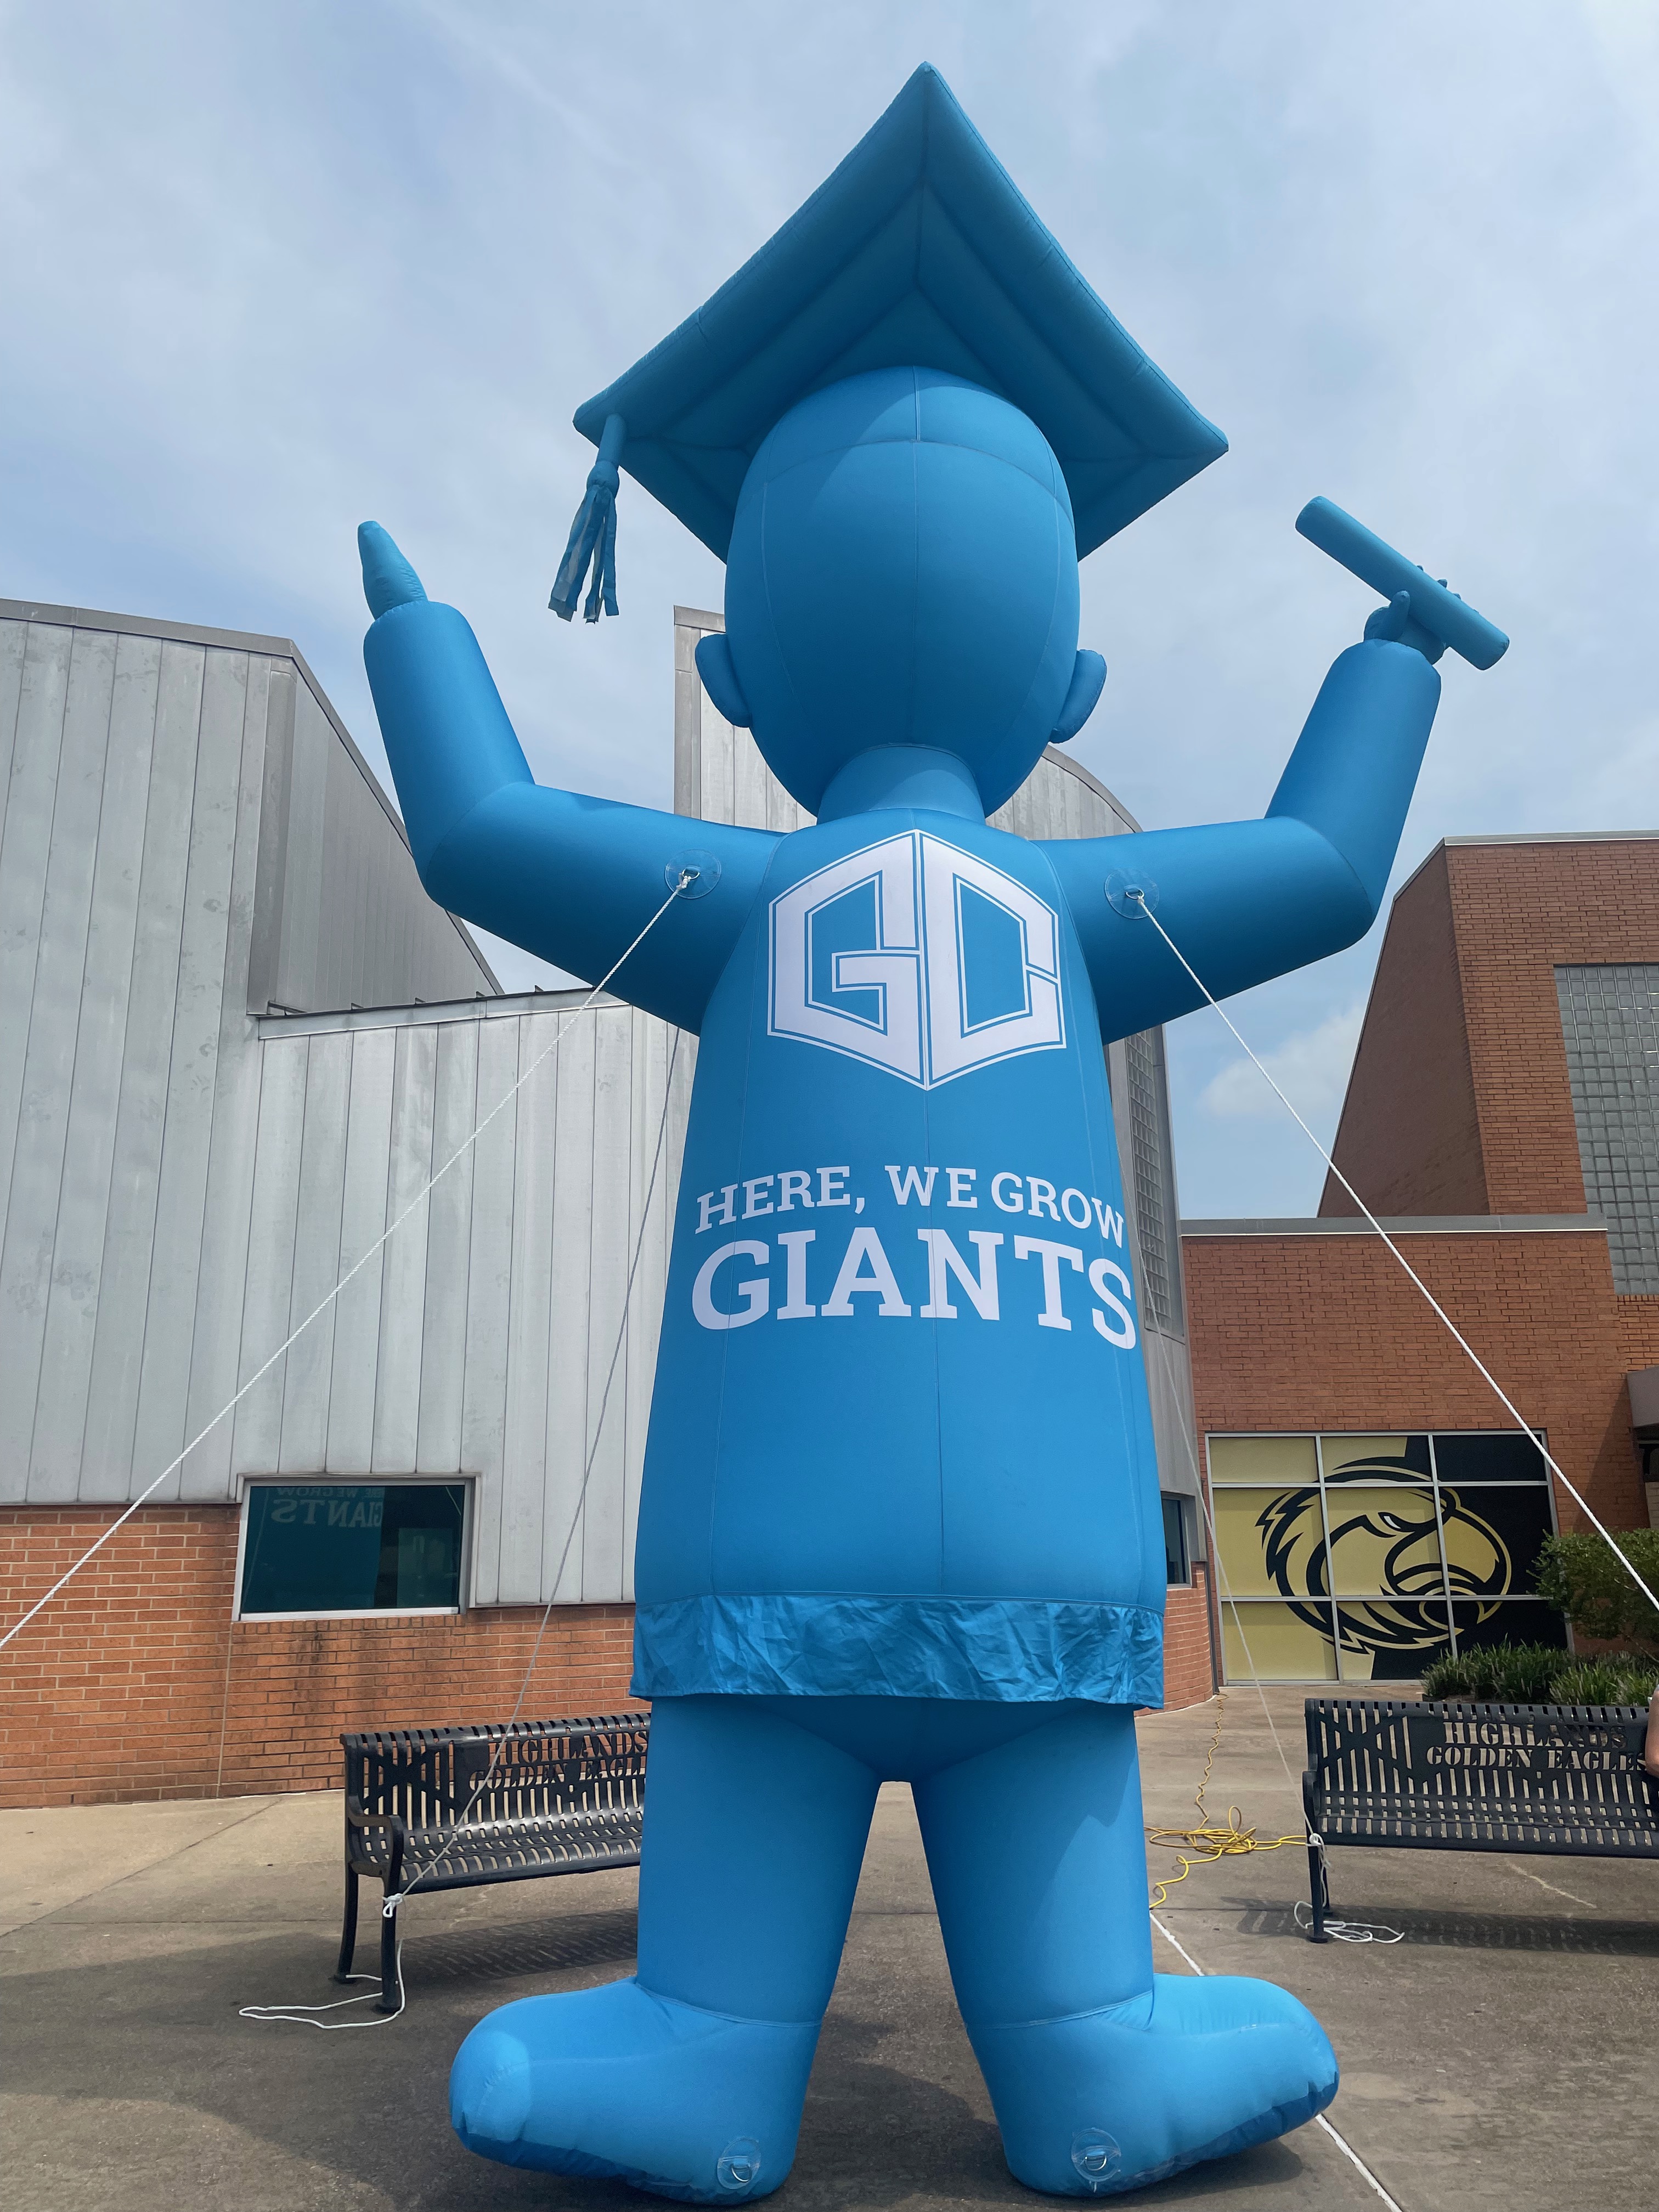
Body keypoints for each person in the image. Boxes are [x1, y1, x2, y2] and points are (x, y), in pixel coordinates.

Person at [358, 65, 1468, 2203]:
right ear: (1068, 683)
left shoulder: (747, 904)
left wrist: (423, 634)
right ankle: (1093, 2063)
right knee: (1072, 1915)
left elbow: (485, 830)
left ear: (749, 689)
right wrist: (1395, 652)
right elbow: (1330, 866)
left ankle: (703, 2052)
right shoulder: (1075, 917)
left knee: (736, 1852)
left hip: (762, 1549)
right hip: (1047, 1561)